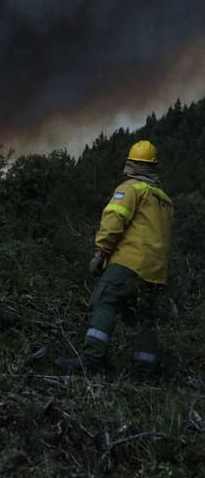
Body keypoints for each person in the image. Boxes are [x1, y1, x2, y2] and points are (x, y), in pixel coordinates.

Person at [55, 140, 173, 373]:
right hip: (155, 271)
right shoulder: (165, 200)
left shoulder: (131, 188)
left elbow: (114, 220)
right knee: (144, 318)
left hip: (128, 262)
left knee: (104, 301)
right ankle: (145, 369)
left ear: (132, 165)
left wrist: (100, 253)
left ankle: (93, 361)